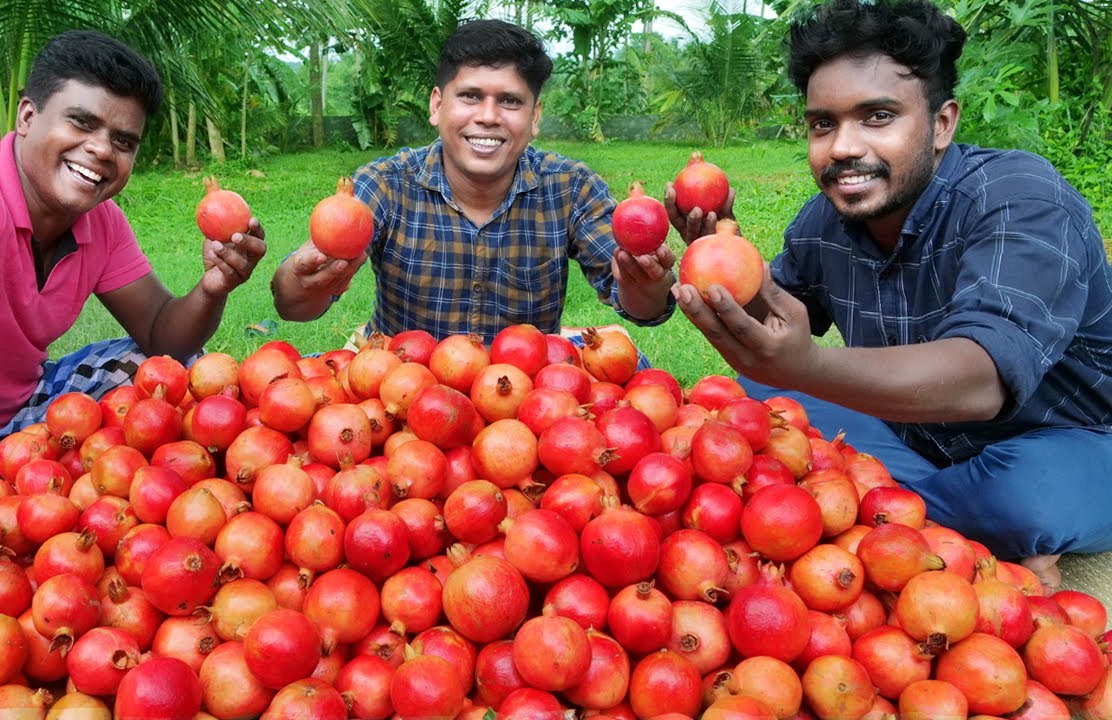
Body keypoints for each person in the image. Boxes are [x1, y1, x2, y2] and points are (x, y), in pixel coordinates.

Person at [673, 0, 1112, 588]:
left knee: (1021, 500)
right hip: (915, 431)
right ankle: (939, 516)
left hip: (1062, 438)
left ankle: (914, 508)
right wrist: (726, 271)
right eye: (823, 123)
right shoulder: (822, 223)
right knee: (750, 393)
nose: (842, 147)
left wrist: (810, 366)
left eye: (877, 117)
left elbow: (983, 377)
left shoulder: (1020, 198)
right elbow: (784, 320)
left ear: (943, 123)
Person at [0, 30, 267, 548]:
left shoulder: (103, 224)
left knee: (161, 369)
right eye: (82, 122)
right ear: (27, 117)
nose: (102, 149)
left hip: (22, 422)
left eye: (123, 141)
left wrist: (215, 285)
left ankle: (12, 505)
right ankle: (40, 507)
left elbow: (160, 334)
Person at [270, 19, 690, 344]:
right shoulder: (384, 186)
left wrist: (646, 284)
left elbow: (643, 308)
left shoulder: (571, 188)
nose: (488, 116)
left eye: (509, 101)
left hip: (526, 406)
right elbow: (294, 304)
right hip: (403, 393)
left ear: (535, 117)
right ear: (437, 105)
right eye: (470, 96)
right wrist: (297, 280)